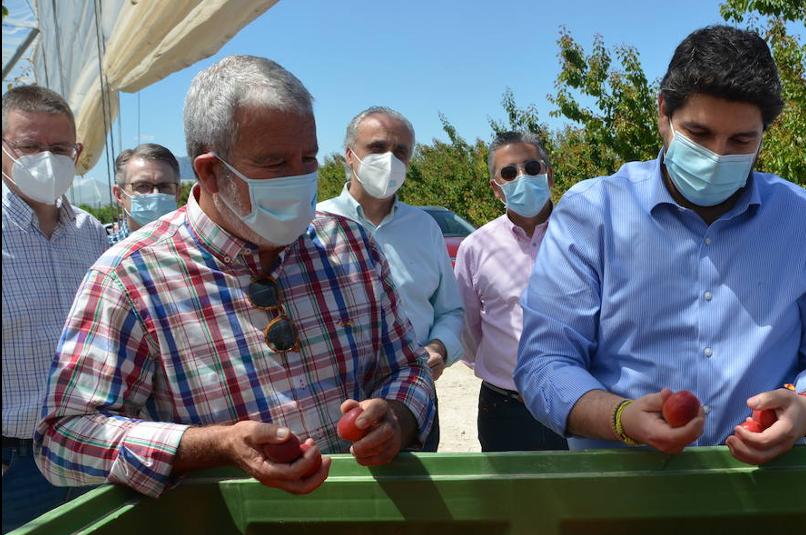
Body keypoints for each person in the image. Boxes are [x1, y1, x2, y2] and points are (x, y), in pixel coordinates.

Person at [35, 55, 435, 499]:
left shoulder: (351, 246)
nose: (300, 178)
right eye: (274, 163)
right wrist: (210, 446)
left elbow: (408, 367)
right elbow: (65, 438)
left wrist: (397, 417)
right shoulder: (129, 278)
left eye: (307, 158)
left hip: (362, 530)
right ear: (210, 171)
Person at [515, 25, 806, 463]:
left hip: (764, 488)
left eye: (742, 140)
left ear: (766, 133)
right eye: (698, 135)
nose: (717, 156)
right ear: (664, 113)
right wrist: (622, 418)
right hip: (622, 488)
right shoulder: (594, 213)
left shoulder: (805, 222)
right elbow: (545, 362)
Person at [318, 107, 463, 451]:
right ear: (349, 155)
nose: (390, 159)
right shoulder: (314, 225)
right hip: (334, 404)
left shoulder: (424, 228)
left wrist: (439, 347)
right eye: (378, 148)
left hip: (413, 401)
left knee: (416, 503)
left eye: (401, 152)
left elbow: (452, 311)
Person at [2, 85, 109, 532]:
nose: (46, 158)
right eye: (29, 147)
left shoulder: (91, 233)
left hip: (93, 451)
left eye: (60, 148)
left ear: (77, 151)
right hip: (14, 465)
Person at [454, 131, 568, 452]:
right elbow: (468, 331)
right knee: (509, 501)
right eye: (509, 173)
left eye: (532, 168)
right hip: (505, 409)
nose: (522, 177)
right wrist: (507, 367)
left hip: (577, 403)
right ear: (496, 188)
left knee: (580, 499)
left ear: (549, 174)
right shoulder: (476, 247)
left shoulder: (584, 234)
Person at [109, 143, 181, 245]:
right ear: (119, 195)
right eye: (142, 186)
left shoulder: (195, 251)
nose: (155, 194)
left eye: (164, 186)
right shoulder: (102, 253)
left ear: (178, 193)